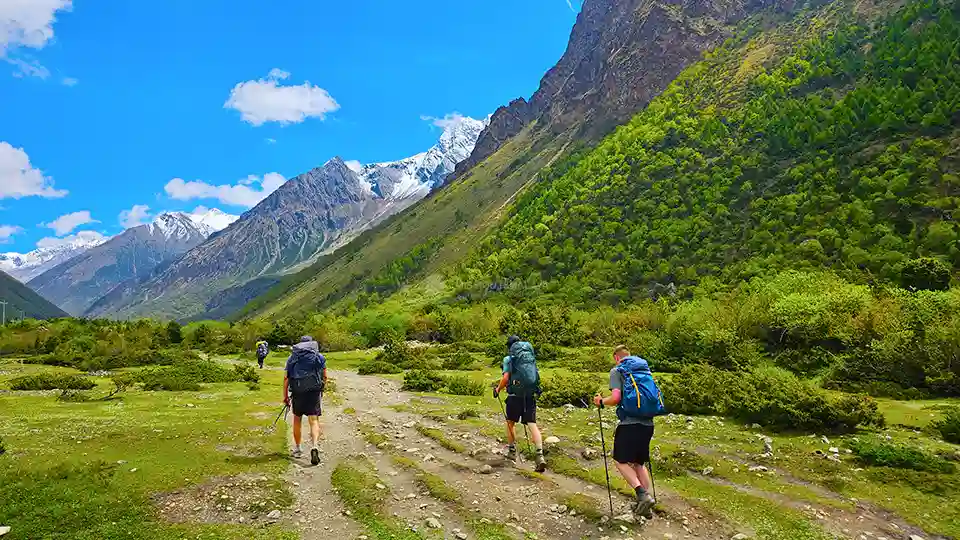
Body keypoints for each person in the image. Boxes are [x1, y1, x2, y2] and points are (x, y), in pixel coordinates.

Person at [594, 345, 659, 518]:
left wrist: (600, 402)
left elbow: (616, 398)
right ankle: (646, 503)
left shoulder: (617, 371)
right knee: (639, 463)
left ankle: (641, 495)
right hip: (648, 423)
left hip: (630, 423)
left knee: (620, 460)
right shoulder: (644, 370)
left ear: (616, 357)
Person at [493, 335, 547, 472]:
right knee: (532, 425)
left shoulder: (509, 359)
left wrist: (498, 389)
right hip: (529, 395)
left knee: (510, 422)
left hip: (514, 396)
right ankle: (540, 455)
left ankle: (512, 451)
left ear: (509, 346)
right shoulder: (529, 357)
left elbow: (505, 378)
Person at [283, 336, 326, 465]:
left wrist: (285, 396)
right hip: (313, 392)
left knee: (297, 420)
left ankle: (298, 449)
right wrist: (322, 389)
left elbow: (286, 379)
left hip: (297, 392)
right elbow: (325, 376)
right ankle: (315, 446)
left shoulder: (292, 358)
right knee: (313, 420)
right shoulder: (318, 357)